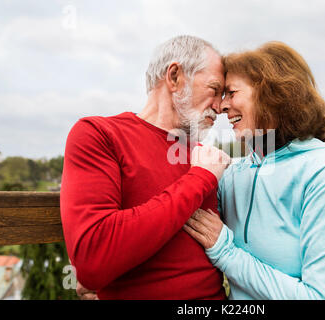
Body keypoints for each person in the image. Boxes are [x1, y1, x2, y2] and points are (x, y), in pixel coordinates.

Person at [60, 35, 231, 300]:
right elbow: (92, 262)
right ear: (174, 76)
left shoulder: (206, 157)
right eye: (214, 89)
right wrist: (200, 178)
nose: (220, 107)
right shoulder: (99, 134)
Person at [184, 41, 325, 300]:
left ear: (271, 94)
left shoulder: (322, 170)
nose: (222, 106)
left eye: (231, 93)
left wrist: (226, 252)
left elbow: (321, 297)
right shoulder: (233, 174)